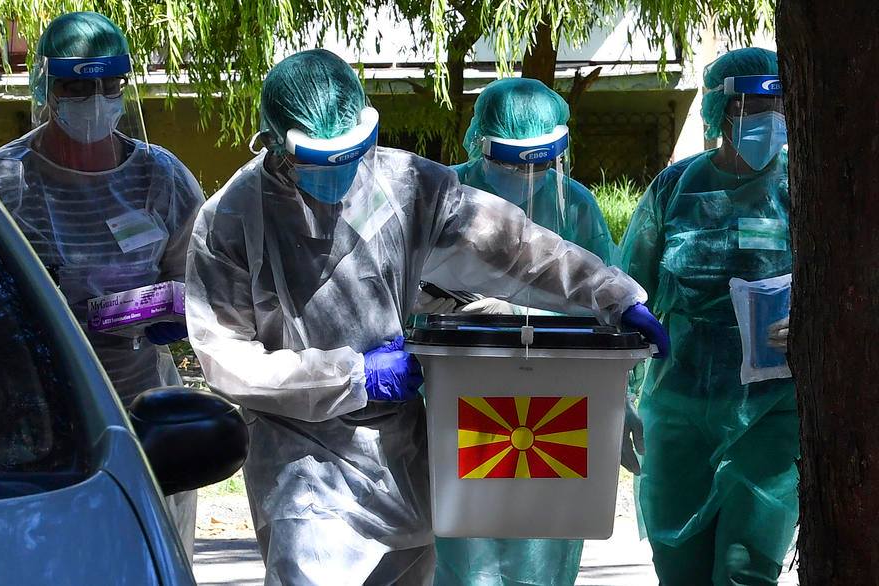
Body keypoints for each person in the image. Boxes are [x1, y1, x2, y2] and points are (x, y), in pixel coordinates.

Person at [185, 48, 669, 585]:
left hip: (398, 454)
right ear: (275, 145)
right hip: (301, 464)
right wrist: (352, 376)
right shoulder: (233, 220)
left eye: (353, 153)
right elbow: (226, 357)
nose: (342, 172)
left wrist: (610, 293)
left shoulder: (403, 185)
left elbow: (514, 246)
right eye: (321, 161)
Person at [0, 11, 204, 557]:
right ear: (47, 88)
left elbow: (203, 280)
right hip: (37, 427)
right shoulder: (2, 183)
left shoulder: (160, 177)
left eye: (109, 85)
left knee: (148, 556)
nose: (95, 101)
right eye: (76, 88)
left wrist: (177, 310)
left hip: (144, 412)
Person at [429, 77, 623, 586]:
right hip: (461, 397)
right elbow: (398, 288)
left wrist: (621, 400)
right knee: (465, 549)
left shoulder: (575, 205)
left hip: (557, 397)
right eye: (513, 163)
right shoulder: (443, 198)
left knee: (544, 543)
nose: (528, 176)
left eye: (540, 163)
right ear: (480, 145)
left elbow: (601, 302)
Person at [617, 47, 797, 585]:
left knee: (747, 568)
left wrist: (815, 327)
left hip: (772, 413)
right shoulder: (674, 190)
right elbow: (623, 297)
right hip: (678, 411)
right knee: (680, 569)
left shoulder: (803, 188)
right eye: (752, 107)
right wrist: (616, 400)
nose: (768, 120)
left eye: (779, 106)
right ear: (721, 111)